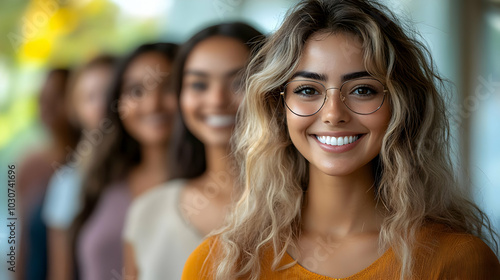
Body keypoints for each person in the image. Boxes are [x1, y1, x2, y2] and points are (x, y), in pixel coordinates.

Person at [182, 0, 500, 279]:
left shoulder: (459, 260)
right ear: (278, 109)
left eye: (363, 90)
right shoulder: (219, 264)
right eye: (308, 90)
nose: (334, 114)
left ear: (401, 107)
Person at [122, 23, 263, 280]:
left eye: (238, 83)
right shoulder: (148, 212)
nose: (217, 100)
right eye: (199, 85)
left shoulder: (303, 206)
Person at [70, 43, 178, 280]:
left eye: (169, 87)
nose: (153, 104)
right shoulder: (106, 176)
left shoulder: (209, 185)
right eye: (136, 91)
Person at [42, 55, 116, 280]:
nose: (103, 105)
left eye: (112, 93)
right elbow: (61, 272)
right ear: (74, 109)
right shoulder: (67, 181)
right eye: (90, 97)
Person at [16, 68, 79, 280]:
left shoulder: (90, 166)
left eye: (57, 97)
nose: (48, 107)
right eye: (43, 98)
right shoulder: (29, 164)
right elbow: (20, 236)